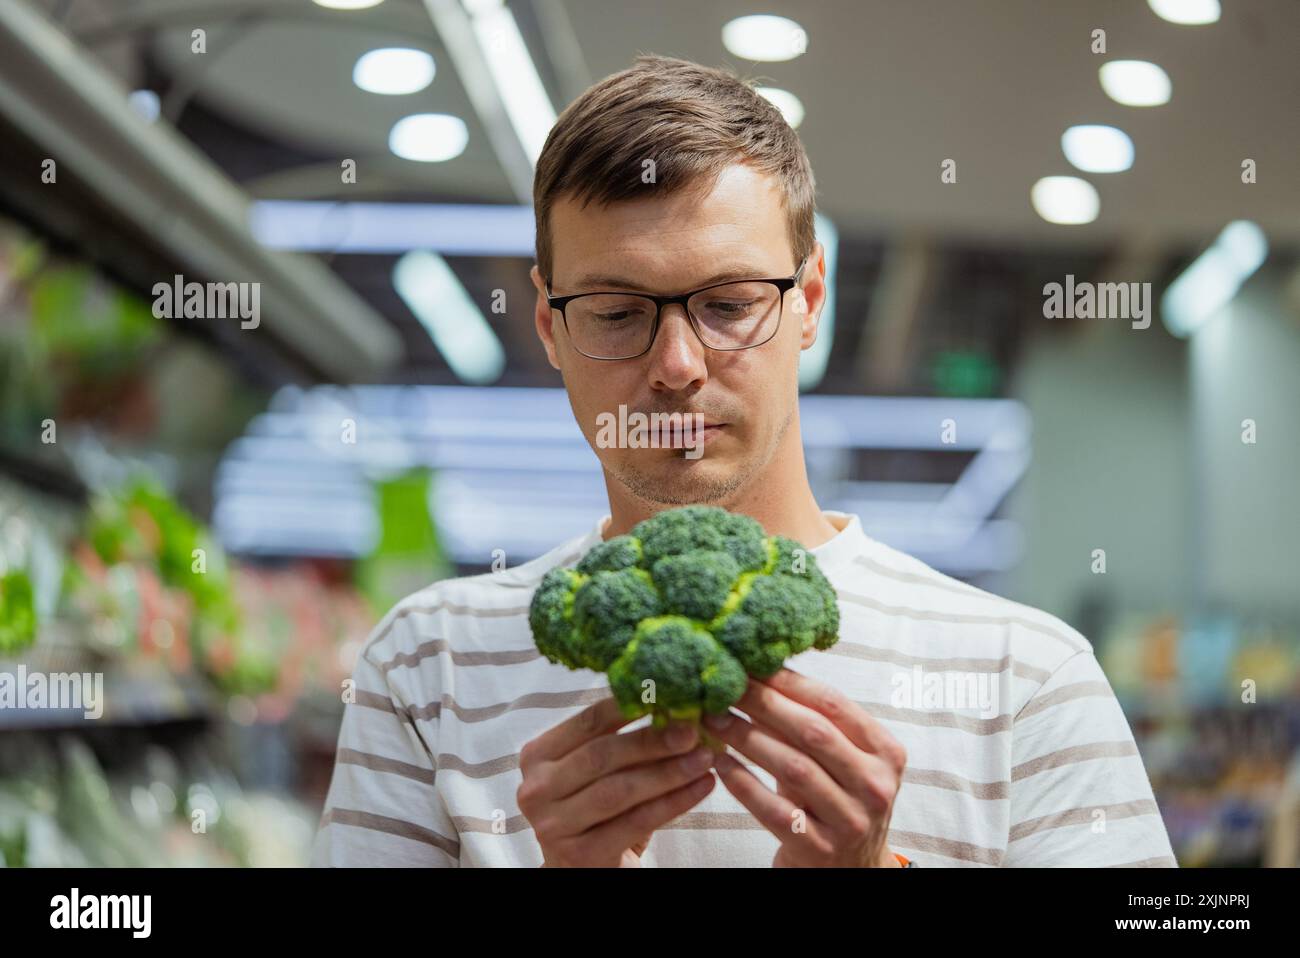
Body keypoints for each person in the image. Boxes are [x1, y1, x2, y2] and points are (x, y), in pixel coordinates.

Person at [311, 54, 1176, 868]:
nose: (677, 365)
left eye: (727, 304)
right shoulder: (427, 666)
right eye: (615, 313)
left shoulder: (1027, 676)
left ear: (809, 301)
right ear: (549, 327)